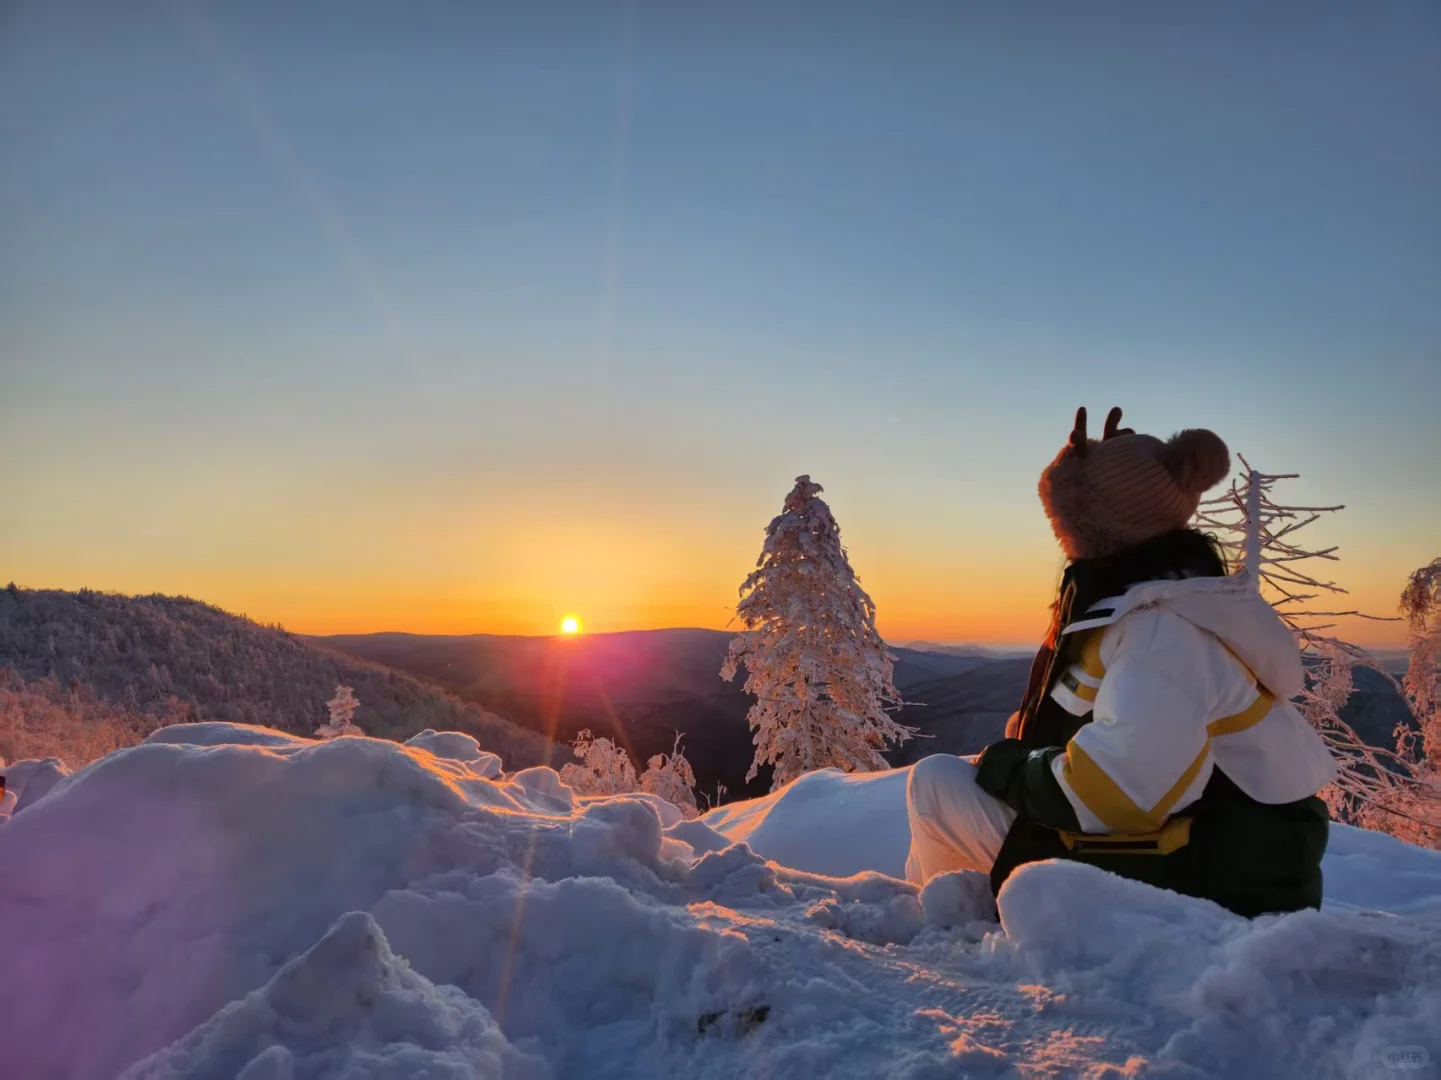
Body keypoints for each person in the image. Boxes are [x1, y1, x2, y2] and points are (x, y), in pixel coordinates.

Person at [905, 406, 1337, 917]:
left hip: (1215, 881)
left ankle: (951, 941)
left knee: (935, 783)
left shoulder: (1161, 629)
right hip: (1220, 856)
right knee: (959, 781)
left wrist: (1011, 768)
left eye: (1065, 521)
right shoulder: (1162, 603)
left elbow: (1117, 792)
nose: (1061, 537)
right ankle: (982, 919)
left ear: (1096, 528)